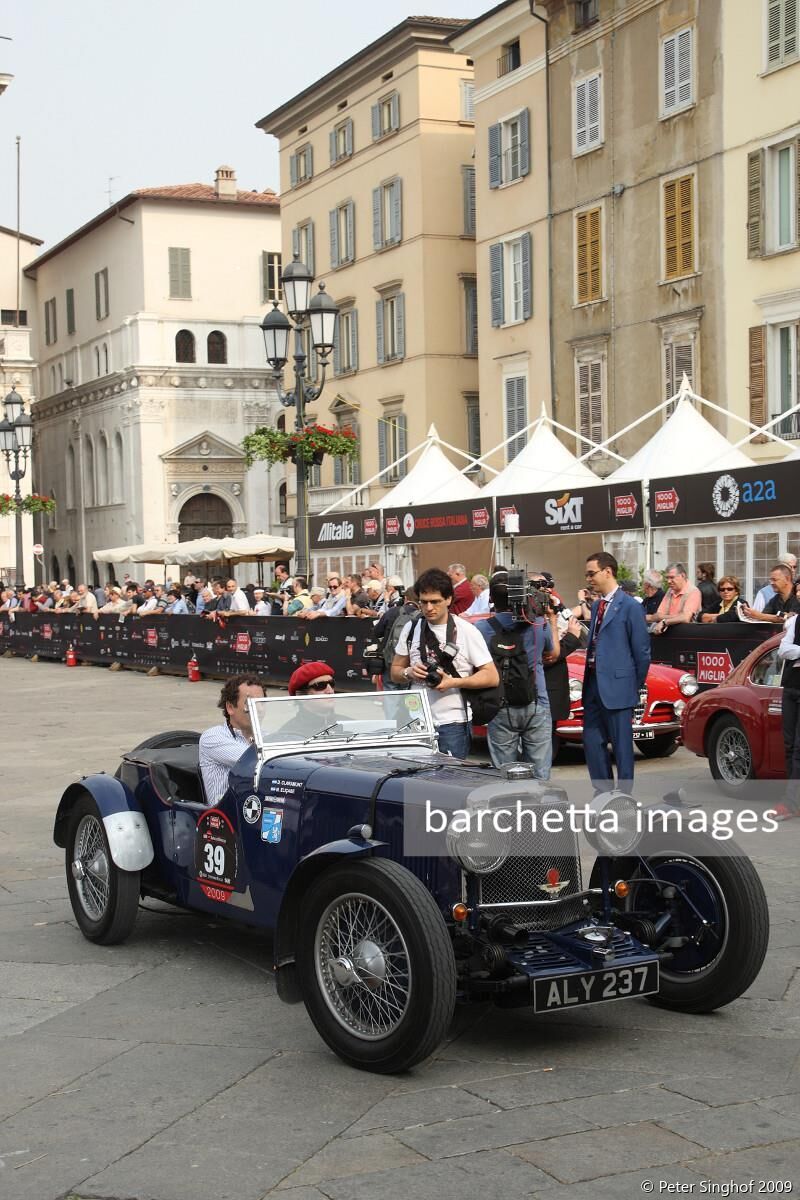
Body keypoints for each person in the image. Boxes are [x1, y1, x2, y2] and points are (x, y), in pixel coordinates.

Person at [391, 567, 498, 758]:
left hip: (453, 723)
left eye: (435, 602)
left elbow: (491, 676)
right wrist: (409, 672)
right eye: (424, 602)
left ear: (449, 599)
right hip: (416, 722)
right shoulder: (411, 627)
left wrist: (453, 682)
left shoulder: (466, 630)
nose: (429, 608)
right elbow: (395, 671)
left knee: (451, 784)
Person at [476, 573, 558, 776]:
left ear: (491, 599)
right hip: (536, 702)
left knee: (504, 774)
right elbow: (554, 653)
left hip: (500, 705)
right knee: (540, 772)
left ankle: (509, 806)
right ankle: (540, 807)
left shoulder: (481, 629)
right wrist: (552, 619)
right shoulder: (539, 624)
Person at [582, 551, 651, 791]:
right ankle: (602, 792)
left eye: (592, 573)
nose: (588, 579)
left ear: (607, 571)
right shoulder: (598, 606)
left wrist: (632, 685)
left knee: (622, 747)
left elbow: (642, 652)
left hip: (618, 687)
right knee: (592, 741)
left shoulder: (630, 606)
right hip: (592, 684)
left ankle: (624, 798)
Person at [199, 674, 266, 804]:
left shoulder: (268, 735)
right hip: (227, 818)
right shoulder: (213, 737)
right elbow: (256, 761)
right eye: (250, 703)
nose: (259, 709)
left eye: (262, 702)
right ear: (230, 707)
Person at [778, 611, 800, 818]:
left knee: (798, 751)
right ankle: (792, 801)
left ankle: (791, 803)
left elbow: (790, 649)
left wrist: (796, 651)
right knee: (788, 746)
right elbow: (783, 650)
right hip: (791, 688)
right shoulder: (795, 620)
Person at [652, 563, 702, 629]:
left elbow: (686, 618)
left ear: (683, 575)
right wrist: (678, 617)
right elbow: (659, 615)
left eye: (672, 577)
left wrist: (665, 621)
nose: (669, 581)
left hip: (687, 634)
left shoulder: (693, 591)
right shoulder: (670, 590)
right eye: (667, 578)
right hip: (670, 633)